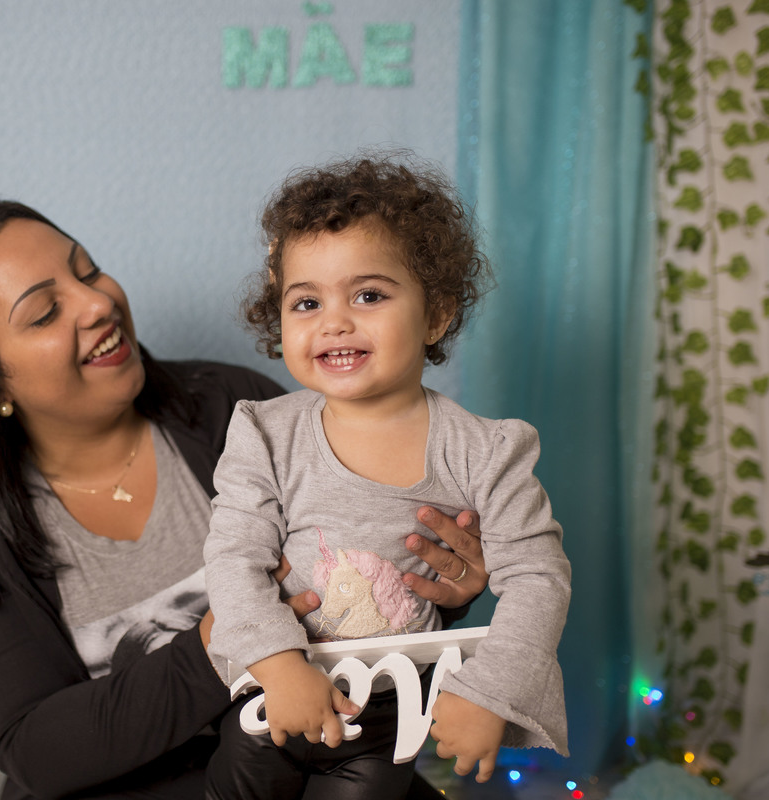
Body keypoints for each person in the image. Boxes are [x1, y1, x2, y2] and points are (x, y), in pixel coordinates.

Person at [0, 198, 490, 800]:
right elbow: (36, 752)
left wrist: (435, 591)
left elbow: (353, 585)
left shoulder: (233, 409)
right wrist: (226, 640)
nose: (98, 303)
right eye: (46, 312)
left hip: (320, 763)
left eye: (88, 270)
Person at [203, 153, 571, 799]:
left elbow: (538, 578)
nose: (334, 320)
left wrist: (490, 690)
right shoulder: (264, 431)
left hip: (389, 707)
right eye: (306, 301)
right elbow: (232, 558)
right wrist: (280, 665)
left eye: (369, 295)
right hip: (277, 686)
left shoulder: (486, 450)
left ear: (436, 316)